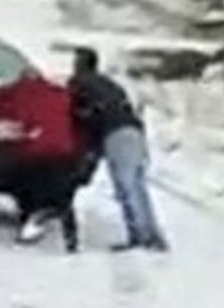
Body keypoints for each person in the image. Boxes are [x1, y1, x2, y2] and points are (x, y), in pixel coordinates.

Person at [0, 73, 97, 253]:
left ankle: (29, 218)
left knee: (19, 176)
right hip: (66, 163)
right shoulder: (62, 95)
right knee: (58, 193)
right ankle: (65, 233)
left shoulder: (16, 94)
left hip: (35, 161)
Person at [69, 47, 167, 252]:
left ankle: (140, 237)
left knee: (126, 187)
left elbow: (81, 117)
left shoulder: (79, 83)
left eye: (76, 62)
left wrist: (86, 153)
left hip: (115, 134)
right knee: (137, 185)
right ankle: (151, 234)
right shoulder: (110, 84)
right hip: (134, 130)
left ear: (80, 65)